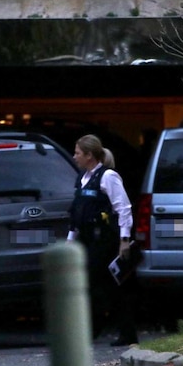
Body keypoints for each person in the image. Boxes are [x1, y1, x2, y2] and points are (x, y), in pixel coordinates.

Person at [67, 134, 138, 346]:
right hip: (87, 239)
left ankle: (120, 332)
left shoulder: (108, 177)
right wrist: (71, 239)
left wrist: (124, 239)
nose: (74, 156)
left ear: (89, 155)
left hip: (104, 240)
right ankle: (96, 330)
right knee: (94, 286)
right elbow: (77, 212)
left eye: (78, 153)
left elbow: (123, 208)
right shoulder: (83, 178)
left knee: (107, 287)